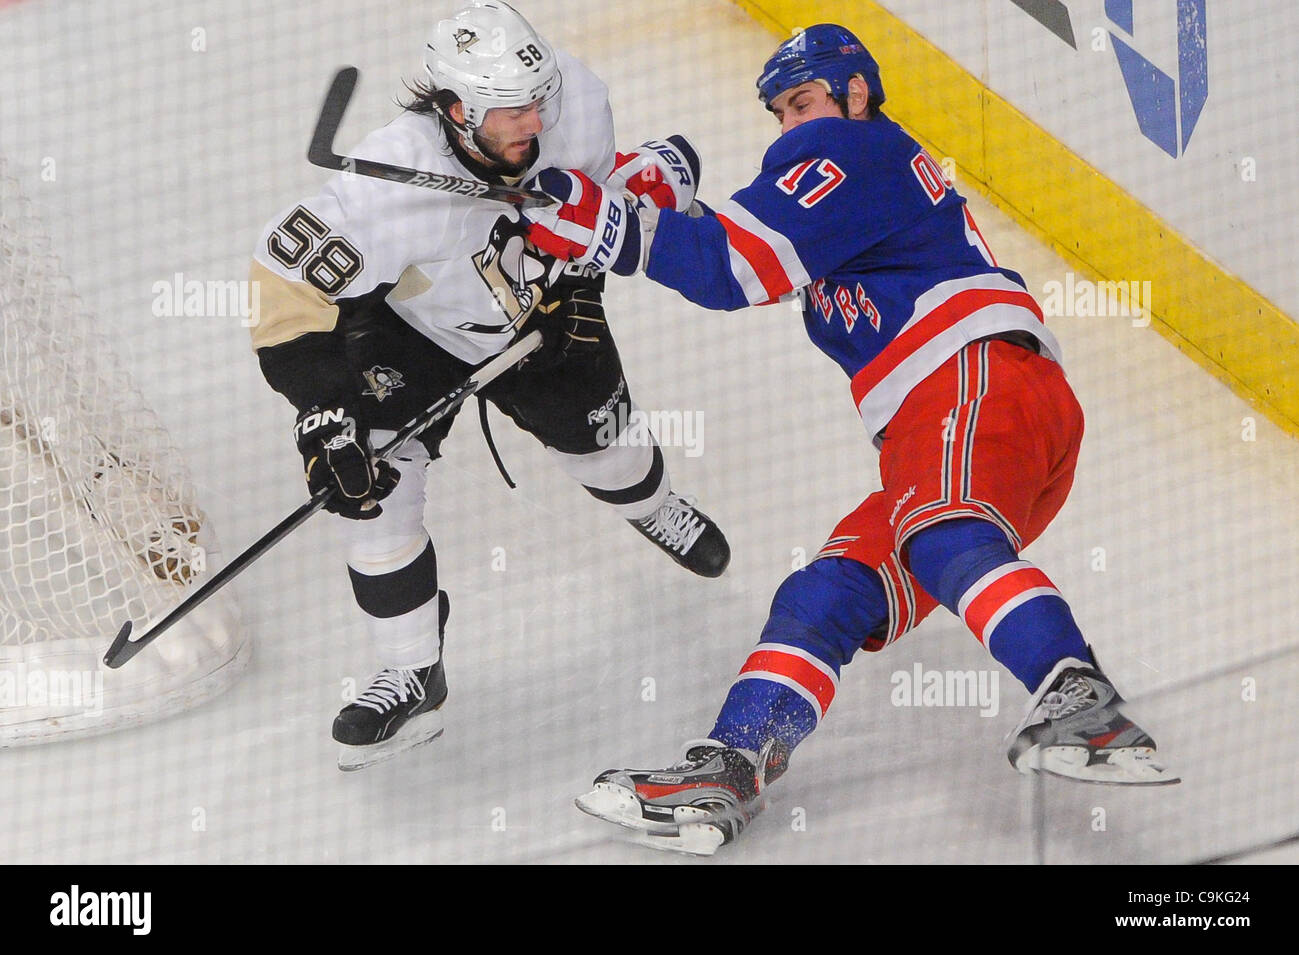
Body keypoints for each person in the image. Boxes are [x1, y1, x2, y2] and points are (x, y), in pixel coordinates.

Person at [522, 23, 1178, 854]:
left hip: (972, 385)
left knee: (940, 531)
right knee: (827, 592)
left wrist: (602, 218)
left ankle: (1083, 704)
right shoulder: (853, 182)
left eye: (802, 101)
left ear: (855, 92)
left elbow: (735, 270)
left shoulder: (851, 147)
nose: (793, 124)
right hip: (973, 429)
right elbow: (736, 248)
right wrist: (653, 209)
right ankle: (731, 769)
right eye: (780, 112)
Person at [249, 0, 728, 771]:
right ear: (454, 108)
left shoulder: (579, 99)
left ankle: (654, 506)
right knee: (367, 484)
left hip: (542, 313)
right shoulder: (386, 187)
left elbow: (597, 212)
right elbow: (284, 289)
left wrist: (583, 286)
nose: (532, 125)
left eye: (536, 102)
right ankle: (412, 668)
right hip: (417, 329)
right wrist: (324, 410)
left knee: (609, 456)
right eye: (508, 113)